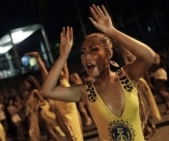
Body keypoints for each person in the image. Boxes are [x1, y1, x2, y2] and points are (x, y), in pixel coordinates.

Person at [40, 4, 155, 141]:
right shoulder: (87, 92)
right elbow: (47, 91)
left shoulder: (127, 77)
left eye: (93, 50)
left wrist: (112, 31)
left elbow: (149, 56)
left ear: (109, 54)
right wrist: (63, 56)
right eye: (83, 52)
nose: (86, 56)